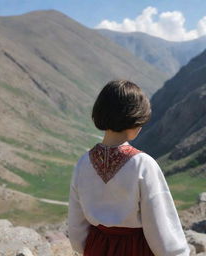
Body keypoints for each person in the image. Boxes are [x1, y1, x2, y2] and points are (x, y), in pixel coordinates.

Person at [68, 80, 190, 256]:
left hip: (96, 247)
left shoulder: (83, 162)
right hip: (135, 249)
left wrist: (86, 248)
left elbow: (76, 223)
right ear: (135, 121)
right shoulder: (143, 164)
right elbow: (159, 223)